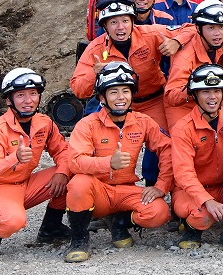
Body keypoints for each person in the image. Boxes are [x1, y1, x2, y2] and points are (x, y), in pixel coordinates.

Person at [64, 63, 174, 263]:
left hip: (125, 191)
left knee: (159, 212)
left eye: (126, 91)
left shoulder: (143, 121)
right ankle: (79, 239)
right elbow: (74, 161)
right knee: (79, 183)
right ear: (101, 98)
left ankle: (119, 223)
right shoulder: (87, 124)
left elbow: (167, 149)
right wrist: (108, 163)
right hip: (98, 192)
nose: (121, 97)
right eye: (113, 92)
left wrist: (161, 186)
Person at [0, 68, 74, 258]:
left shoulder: (44, 123)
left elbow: (63, 151)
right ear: (9, 100)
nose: (29, 101)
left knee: (75, 174)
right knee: (13, 220)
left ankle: (51, 228)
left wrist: (62, 173)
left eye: (33, 94)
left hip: (24, 185)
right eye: (21, 95)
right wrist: (14, 159)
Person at [69, 0, 190, 132]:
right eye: (113, 22)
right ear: (105, 26)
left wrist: (177, 41)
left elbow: (192, 29)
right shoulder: (95, 49)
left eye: (125, 21)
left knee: (166, 143)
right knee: (101, 140)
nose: (120, 27)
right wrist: (94, 74)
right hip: (115, 105)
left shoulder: (150, 34)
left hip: (153, 101)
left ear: (133, 22)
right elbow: (78, 89)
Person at [169, 64, 223, 249]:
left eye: (217, 91)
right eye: (205, 92)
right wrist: (207, 200)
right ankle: (191, 231)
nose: (212, 97)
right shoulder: (182, 128)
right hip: (190, 191)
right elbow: (183, 174)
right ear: (194, 95)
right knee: (203, 215)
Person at [164, 0, 223, 129]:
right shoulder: (185, 57)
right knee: (181, 139)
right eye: (211, 28)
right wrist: (193, 87)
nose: (217, 33)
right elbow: (171, 96)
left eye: (221, 27)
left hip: (211, 101)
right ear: (199, 28)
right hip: (183, 106)